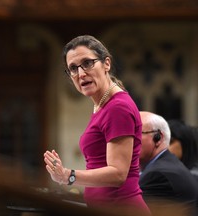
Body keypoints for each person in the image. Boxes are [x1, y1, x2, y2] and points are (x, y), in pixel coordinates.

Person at [43, 35, 150, 214]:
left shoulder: (118, 108)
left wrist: (68, 176)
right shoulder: (102, 105)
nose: (81, 73)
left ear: (106, 64)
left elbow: (118, 174)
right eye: (73, 68)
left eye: (87, 63)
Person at [139, 111, 198, 215]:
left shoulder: (158, 174)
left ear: (158, 138)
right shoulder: (166, 165)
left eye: (137, 132)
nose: (128, 140)